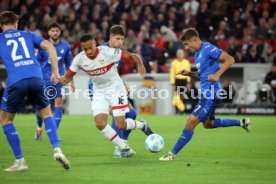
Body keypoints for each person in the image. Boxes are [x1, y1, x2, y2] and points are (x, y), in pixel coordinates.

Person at [159, 28, 251, 161]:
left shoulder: (207, 48)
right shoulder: (197, 55)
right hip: (207, 95)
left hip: (211, 95)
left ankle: (172, 154)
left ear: (195, 40)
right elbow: (202, 75)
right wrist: (189, 73)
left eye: (187, 44)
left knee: (190, 122)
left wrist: (217, 75)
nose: (186, 47)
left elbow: (230, 60)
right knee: (208, 124)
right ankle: (242, 122)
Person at [61, 34, 153, 157]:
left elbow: (132, 55)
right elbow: (68, 76)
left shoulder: (107, 52)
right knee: (100, 123)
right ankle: (124, 147)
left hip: (116, 90)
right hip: (99, 92)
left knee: (121, 124)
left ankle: (142, 125)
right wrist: (62, 80)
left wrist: (140, 64)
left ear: (94, 43)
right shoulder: (79, 58)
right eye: (85, 49)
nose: (88, 51)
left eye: (90, 48)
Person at [0, 11, 70, 171]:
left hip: (16, 80)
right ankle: (57, 149)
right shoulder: (28, 34)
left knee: (6, 119)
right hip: (36, 77)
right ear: (15, 24)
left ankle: (20, 161)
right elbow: (50, 47)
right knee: (47, 114)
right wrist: (55, 72)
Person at [88, 25, 154, 158]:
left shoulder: (117, 52)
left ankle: (125, 142)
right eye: (117, 39)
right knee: (115, 117)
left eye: (122, 39)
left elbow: (112, 73)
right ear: (110, 37)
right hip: (99, 90)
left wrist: (123, 84)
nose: (120, 42)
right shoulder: (102, 51)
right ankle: (120, 147)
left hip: (112, 88)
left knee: (131, 114)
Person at [35, 21, 74, 141]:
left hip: (59, 80)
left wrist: (71, 80)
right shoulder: (43, 46)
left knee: (59, 104)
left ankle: (54, 135)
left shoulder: (65, 46)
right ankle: (38, 128)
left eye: (57, 30)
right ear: (48, 32)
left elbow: (69, 64)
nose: (55, 32)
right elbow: (37, 62)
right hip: (44, 80)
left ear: (60, 32)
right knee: (43, 108)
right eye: (52, 30)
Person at [170, 49, 191, 114]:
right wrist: (173, 83)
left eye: (181, 53)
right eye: (179, 54)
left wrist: (188, 82)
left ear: (183, 54)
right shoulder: (174, 63)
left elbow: (188, 73)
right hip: (177, 80)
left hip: (184, 80)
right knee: (177, 96)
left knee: (184, 96)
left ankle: (183, 110)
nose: (180, 55)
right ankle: (177, 110)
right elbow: (172, 73)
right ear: (177, 55)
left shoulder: (186, 62)